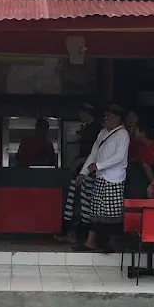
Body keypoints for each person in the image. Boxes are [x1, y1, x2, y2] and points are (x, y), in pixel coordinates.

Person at [80, 103, 130, 251]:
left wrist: (99, 165)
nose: (106, 118)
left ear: (118, 118)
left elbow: (119, 157)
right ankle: (90, 242)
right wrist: (84, 172)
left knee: (112, 214)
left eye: (109, 115)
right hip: (101, 178)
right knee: (95, 211)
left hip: (114, 179)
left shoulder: (123, 134)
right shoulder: (102, 133)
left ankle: (111, 244)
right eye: (106, 115)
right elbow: (93, 154)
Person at [55, 102, 101, 244]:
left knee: (84, 203)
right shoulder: (88, 128)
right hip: (81, 170)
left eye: (82, 113)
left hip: (88, 172)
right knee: (75, 202)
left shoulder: (96, 130)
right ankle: (71, 233)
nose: (80, 115)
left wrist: (80, 160)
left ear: (88, 113)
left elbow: (95, 154)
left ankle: (80, 236)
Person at [124, 108, 150, 199]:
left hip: (140, 164)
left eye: (133, 117)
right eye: (129, 117)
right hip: (125, 163)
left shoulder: (142, 131)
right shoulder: (122, 131)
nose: (131, 119)